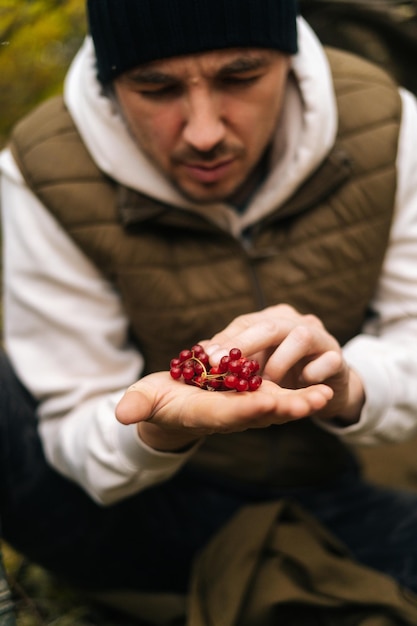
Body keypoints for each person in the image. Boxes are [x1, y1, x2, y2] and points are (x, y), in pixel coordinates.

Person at [1, 0, 417, 623]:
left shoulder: (389, 127)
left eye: (241, 77)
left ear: (290, 58)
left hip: (332, 490)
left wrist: (351, 384)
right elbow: (72, 425)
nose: (204, 132)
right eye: (156, 87)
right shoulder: (38, 174)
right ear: (109, 85)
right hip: (137, 509)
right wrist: (161, 430)